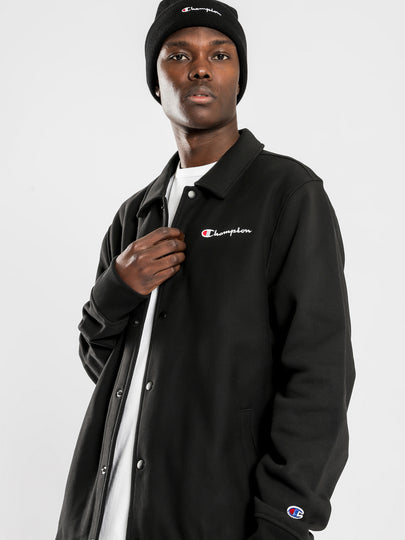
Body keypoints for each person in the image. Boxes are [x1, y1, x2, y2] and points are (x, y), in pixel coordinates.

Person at [55, 1, 355, 539]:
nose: (200, 68)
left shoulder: (287, 194)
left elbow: (319, 374)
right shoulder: (136, 214)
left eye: (219, 55)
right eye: (178, 55)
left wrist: (286, 520)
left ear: (239, 78)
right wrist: (115, 291)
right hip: (103, 516)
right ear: (156, 81)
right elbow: (108, 368)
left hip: (219, 518)